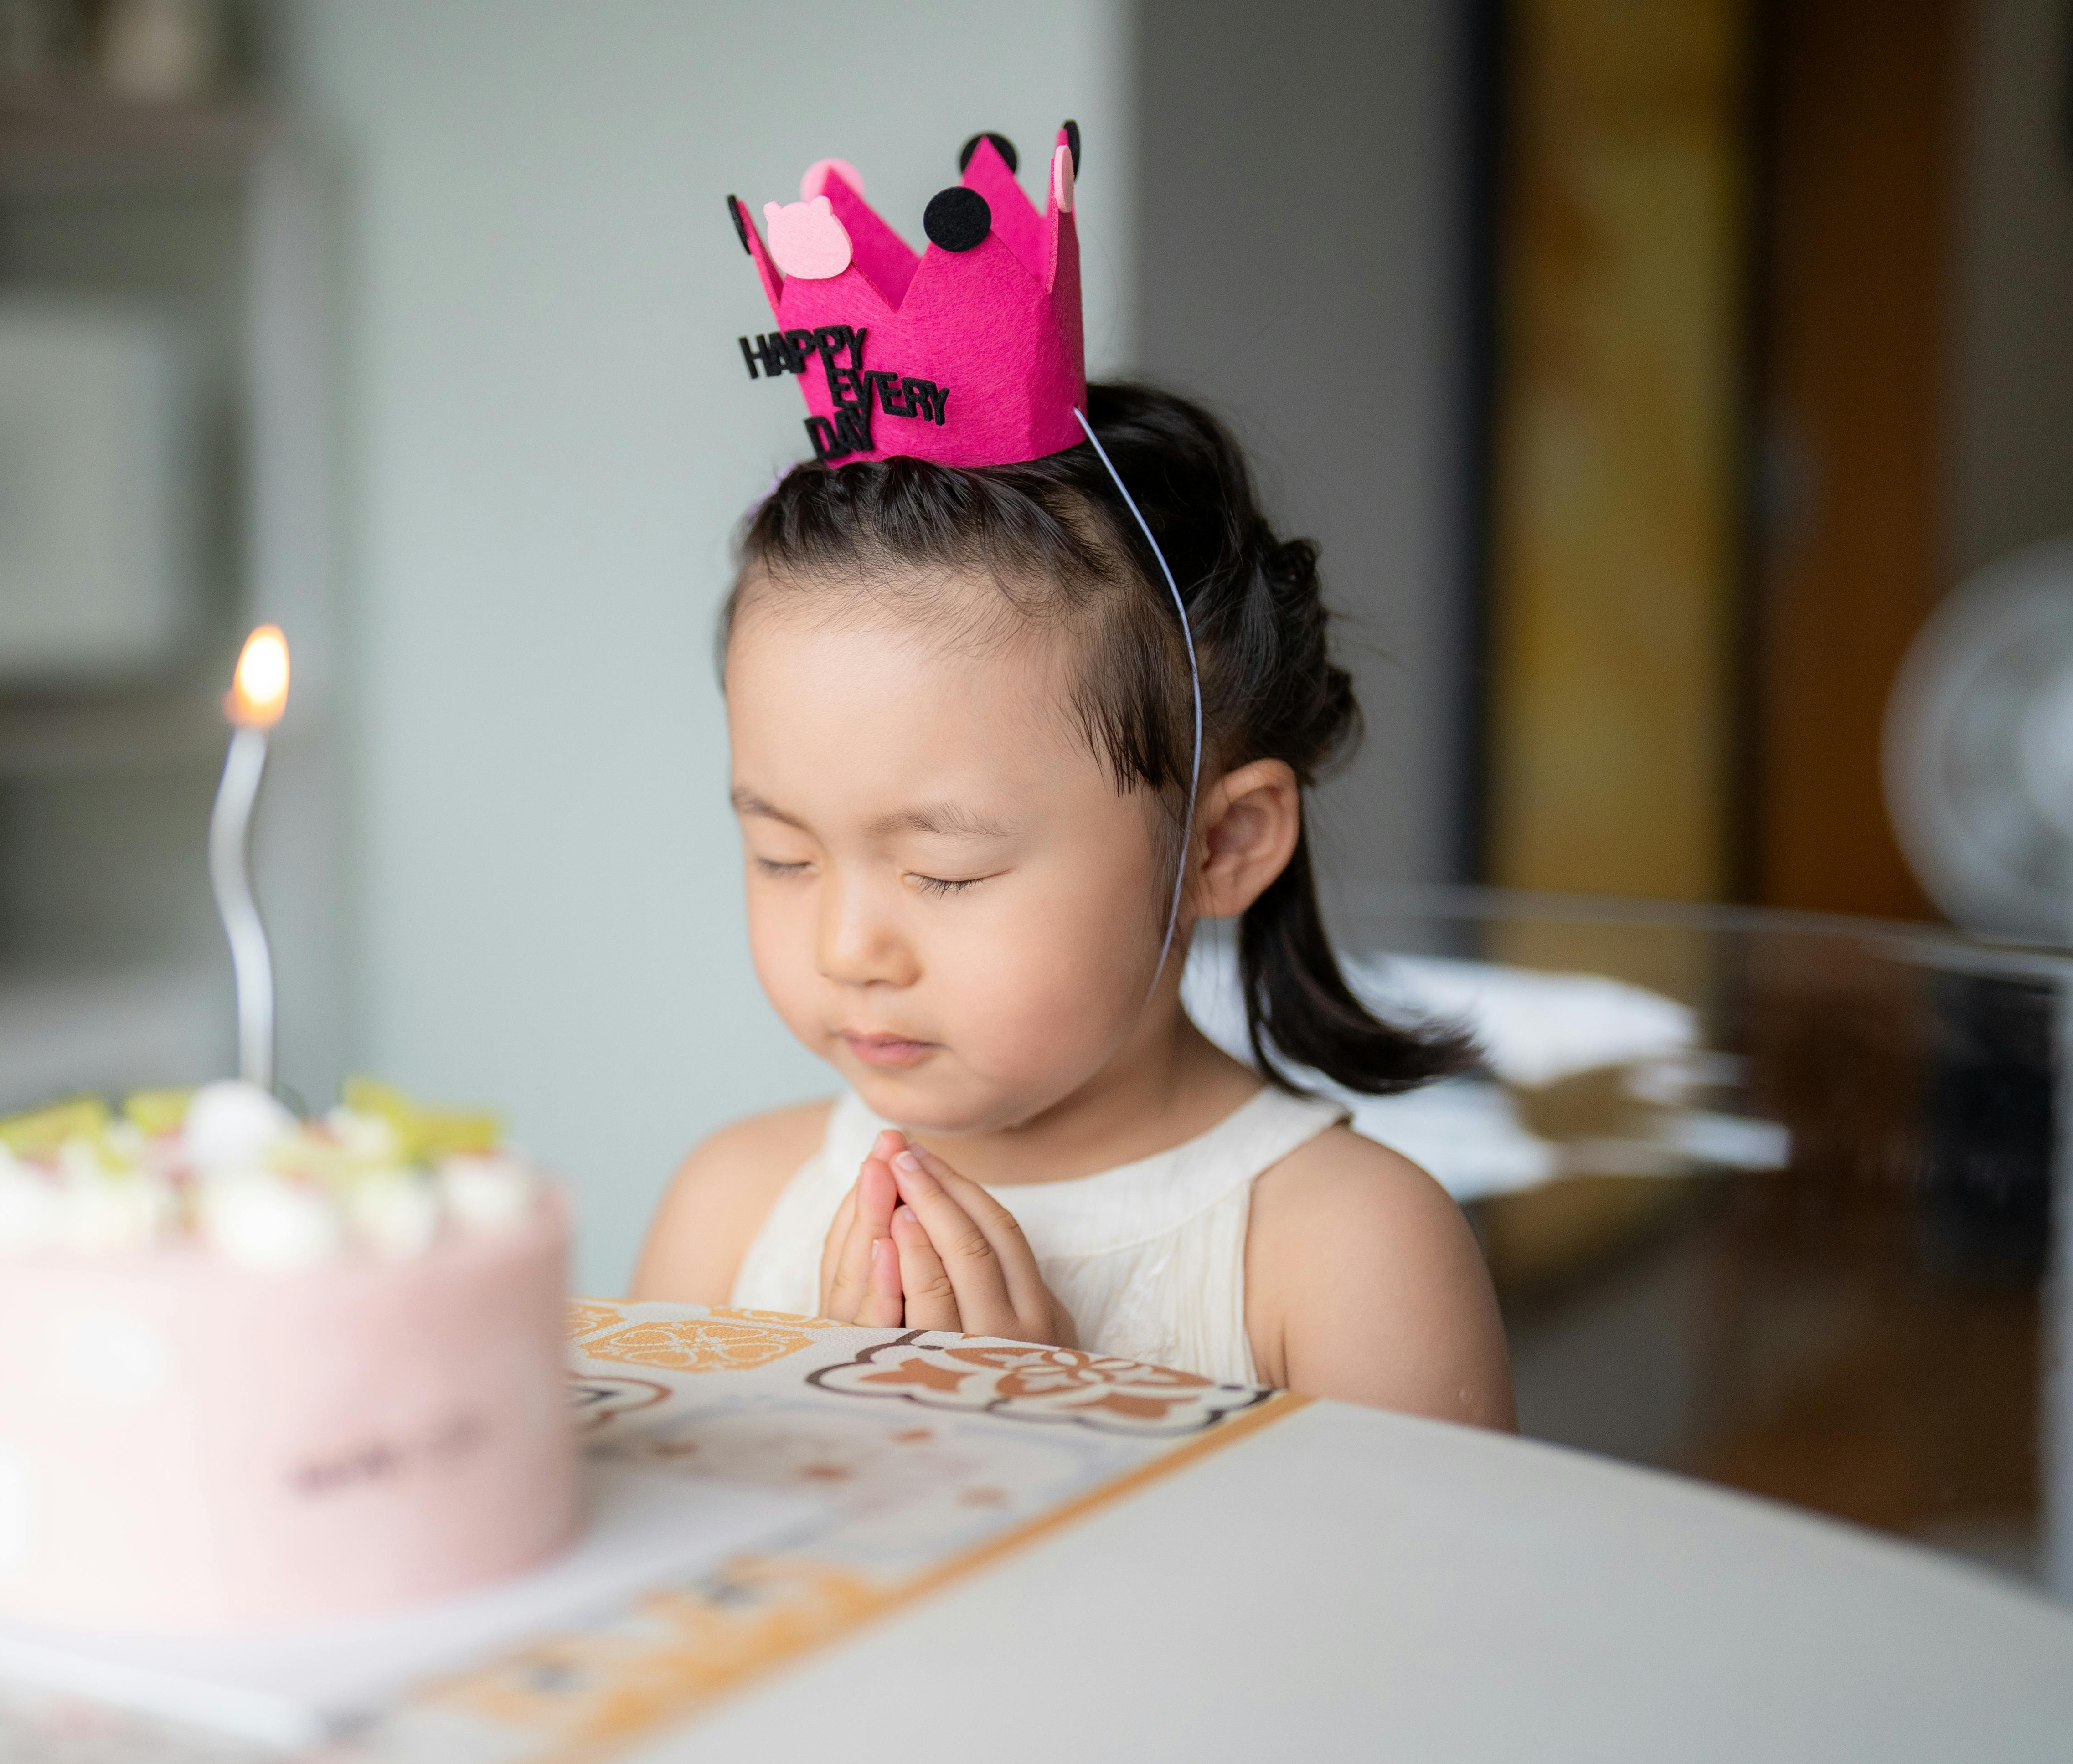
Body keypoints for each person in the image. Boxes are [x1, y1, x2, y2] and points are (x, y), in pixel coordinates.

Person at [632, 378, 1516, 1431]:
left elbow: (1422, 1599)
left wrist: (1058, 1439)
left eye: (946, 871)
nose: (846, 946)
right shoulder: (729, 1209)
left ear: (1219, 845)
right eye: (783, 855)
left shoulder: (1341, 1252)